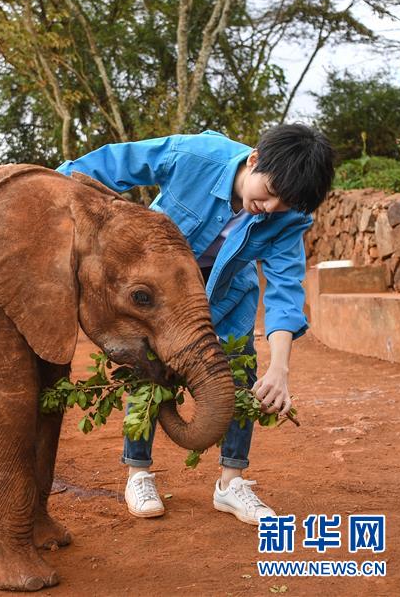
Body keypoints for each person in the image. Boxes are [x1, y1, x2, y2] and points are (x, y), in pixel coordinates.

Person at [57, 124, 334, 525]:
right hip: (158, 289)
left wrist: (281, 368)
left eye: (285, 204)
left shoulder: (288, 220)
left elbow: (285, 291)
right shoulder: (195, 156)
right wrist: (49, 187)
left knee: (238, 376)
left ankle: (231, 484)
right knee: (147, 370)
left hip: (228, 294)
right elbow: (118, 162)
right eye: (270, 192)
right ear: (254, 159)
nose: (271, 208)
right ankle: (138, 473)